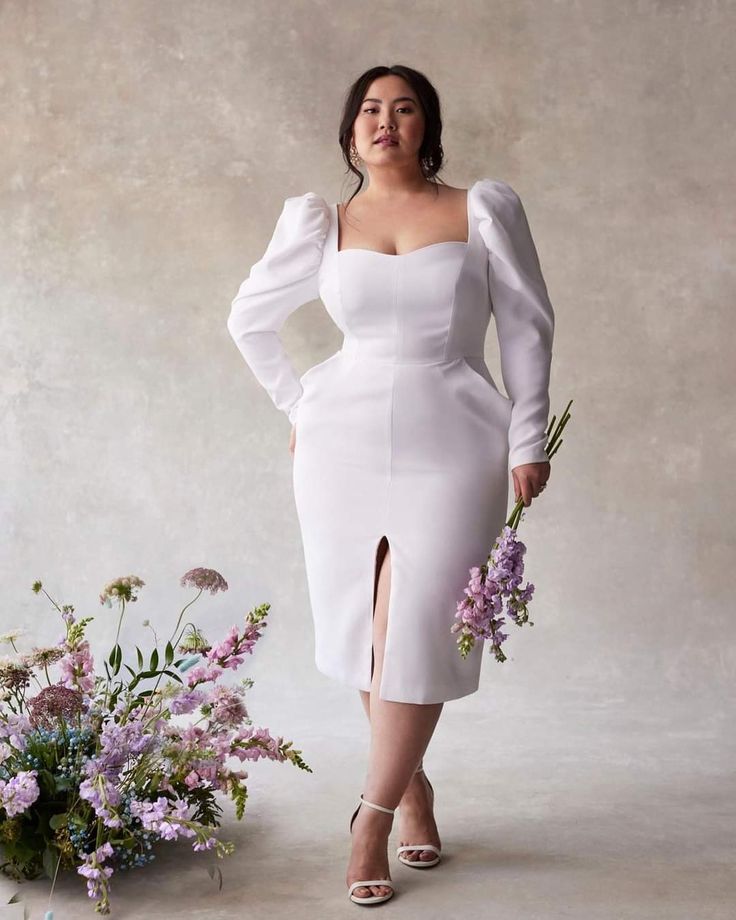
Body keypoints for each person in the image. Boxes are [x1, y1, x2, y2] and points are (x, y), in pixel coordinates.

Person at [226, 64, 554, 906]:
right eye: (370, 109)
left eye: (404, 109)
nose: (386, 121)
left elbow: (526, 323)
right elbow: (249, 318)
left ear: (426, 127)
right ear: (349, 132)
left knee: (423, 622)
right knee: (369, 622)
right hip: (341, 440)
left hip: (457, 434)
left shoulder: (480, 209)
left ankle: (368, 813)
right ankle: (410, 790)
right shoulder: (321, 223)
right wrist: (298, 400)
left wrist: (528, 434)